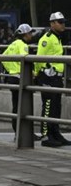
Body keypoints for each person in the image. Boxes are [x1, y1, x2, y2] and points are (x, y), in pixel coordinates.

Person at [36, 11, 67, 147]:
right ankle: (45, 135)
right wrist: (38, 74)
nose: (63, 25)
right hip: (48, 77)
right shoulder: (47, 38)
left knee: (56, 106)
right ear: (52, 23)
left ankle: (55, 133)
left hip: (57, 77)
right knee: (48, 105)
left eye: (63, 22)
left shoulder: (57, 38)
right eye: (60, 22)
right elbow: (38, 58)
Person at [2, 24, 36, 135]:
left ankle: (17, 130)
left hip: (12, 78)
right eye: (30, 33)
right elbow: (25, 60)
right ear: (25, 34)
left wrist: (11, 69)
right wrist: (32, 73)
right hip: (21, 78)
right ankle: (25, 133)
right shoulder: (23, 45)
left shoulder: (13, 44)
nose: (31, 35)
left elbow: (3, 57)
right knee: (24, 106)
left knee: (16, 106)